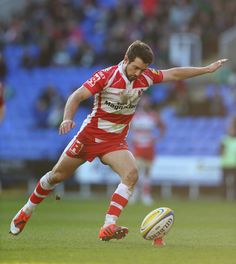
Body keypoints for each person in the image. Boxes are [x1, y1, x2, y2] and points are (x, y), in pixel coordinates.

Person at [10, 40, 227, 246]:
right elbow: (76, 96)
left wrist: (206, 69)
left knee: (131, 174)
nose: (139, 74)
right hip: (90, 136)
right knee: (56, 176)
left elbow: (175, 73)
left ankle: (108, 226)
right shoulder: (106, 76)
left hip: (114, 141)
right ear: (126, 58)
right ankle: (26, 211)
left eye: (143, 70)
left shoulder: (146, 77)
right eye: (136, 68)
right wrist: (67, 118)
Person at [130, 95, 165, 205]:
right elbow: (125, 127)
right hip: (137, 146)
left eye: (147, 102)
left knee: (147, 172)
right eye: (144, 102)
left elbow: (163, 127)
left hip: (149, 147)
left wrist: (157, 138)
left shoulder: (153, 116)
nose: (145, 104)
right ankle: (134, 194)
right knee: (136, 171)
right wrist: (130, 139)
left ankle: (146, 195)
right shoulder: (134, 116)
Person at [220, 116, 236, 200]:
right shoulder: (224, 139)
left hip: (234, 164)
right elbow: (220, 151)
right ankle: (224, 196)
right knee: (224, 182)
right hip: (225, 163)